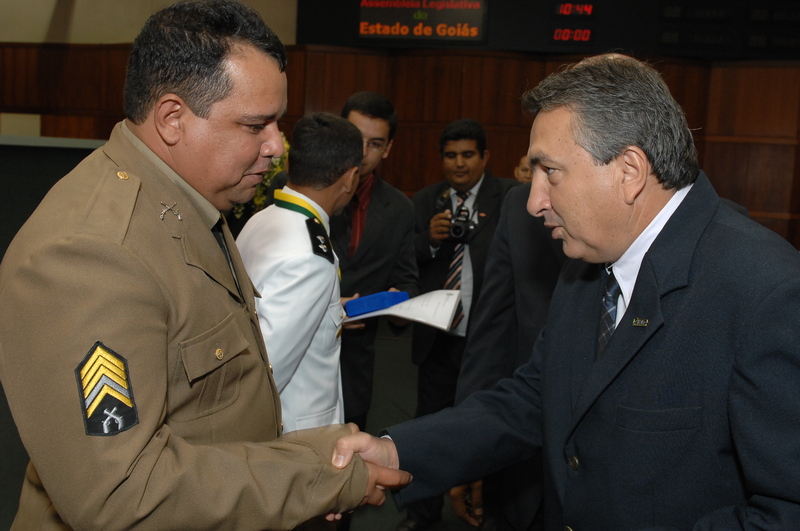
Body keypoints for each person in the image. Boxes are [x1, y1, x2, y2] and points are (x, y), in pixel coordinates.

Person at [332, 55, 800, 529]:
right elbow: (536, 398)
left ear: (629, 170)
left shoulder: (768, 292)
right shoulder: (589, 265)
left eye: (551, 172)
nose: (534, 202)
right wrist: (397, 450)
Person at [0, 2, 408, 529]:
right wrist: (315, 476)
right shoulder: (93, 253)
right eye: (255, 125)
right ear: (173, 119)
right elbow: (124, 494)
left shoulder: (186, 204)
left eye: (277, 123)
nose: (276, 146)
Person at [401, 118, 518, 531]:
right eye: (450, 156)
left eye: (468, 154)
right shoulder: (425, 200)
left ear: (485, 157)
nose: (459, 163)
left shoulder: (510, 197)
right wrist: (430, 242)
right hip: (438, 337)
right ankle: (421, 517)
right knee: (427, 428)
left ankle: (488, 513)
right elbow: (406, 259)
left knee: (488, 427)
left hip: (487, 339)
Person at [449, 182, 565, 531]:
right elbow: (491, 337)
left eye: (549, 168)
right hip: (523, 470)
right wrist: (468, 449)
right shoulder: (520, 208)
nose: (535, 198)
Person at [236, 112, 362, 433]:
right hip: (295, 435)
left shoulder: (262, 219)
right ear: (350, 178)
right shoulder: (310, 257)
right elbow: (268, 372)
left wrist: (332, 308)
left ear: (292, 163)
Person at [329, 91, 419, 432]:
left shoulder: (400, 208)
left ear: (388, 149)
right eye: (356, 138)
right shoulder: (298, 186)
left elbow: (408, 280)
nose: (363, 152)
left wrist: (400, 301)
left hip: (356, 365)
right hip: (297, 356)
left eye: (376, 144)